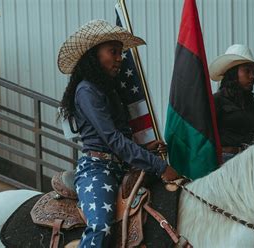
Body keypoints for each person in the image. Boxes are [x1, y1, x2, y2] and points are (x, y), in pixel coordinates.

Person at [57, 20, 178, 247]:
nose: (120, 58)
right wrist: (160, 166)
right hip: (97, 168)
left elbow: (119, 138)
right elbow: (112, 139)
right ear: (95, 55)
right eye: (113, 52)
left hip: (120, 167)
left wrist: (144, 150)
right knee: (101, 227)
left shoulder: (109, 90)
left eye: (121, 52)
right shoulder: (86, 90)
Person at [209, 44, 254, 162]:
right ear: (233, 73)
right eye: (247, 71)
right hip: (225, 164)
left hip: (251, 160)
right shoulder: (216, 101)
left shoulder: (250, 102)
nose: (252, 76)